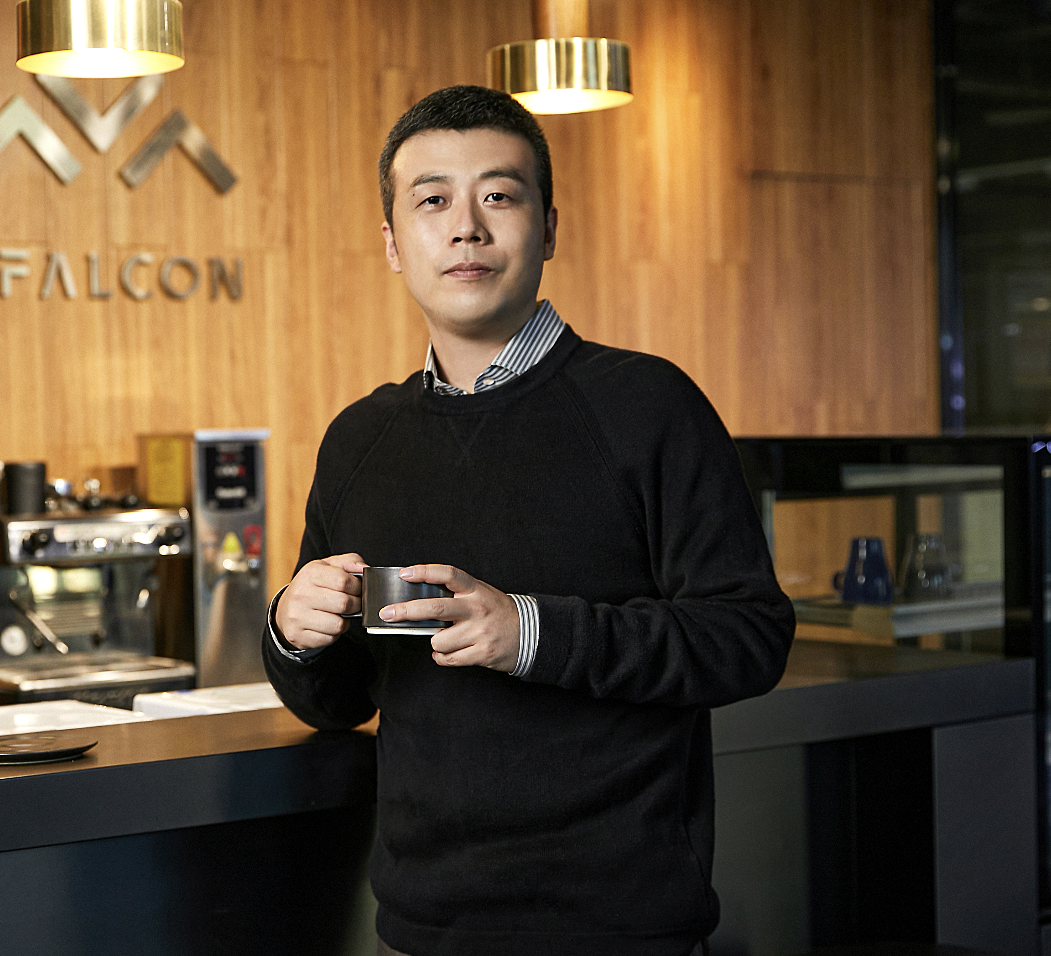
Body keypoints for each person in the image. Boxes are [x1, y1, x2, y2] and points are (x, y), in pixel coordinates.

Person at [262, 84, 795, 956]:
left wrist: (531, 633)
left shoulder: (648, 405)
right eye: (433, 201)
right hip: (422, 927)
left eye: (500, 196)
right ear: (393, 243)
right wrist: (293, 630)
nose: (466, 228)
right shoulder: (359, 438)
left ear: (548, 228)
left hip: (620, 927)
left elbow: (749, 636)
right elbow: (338, 702)